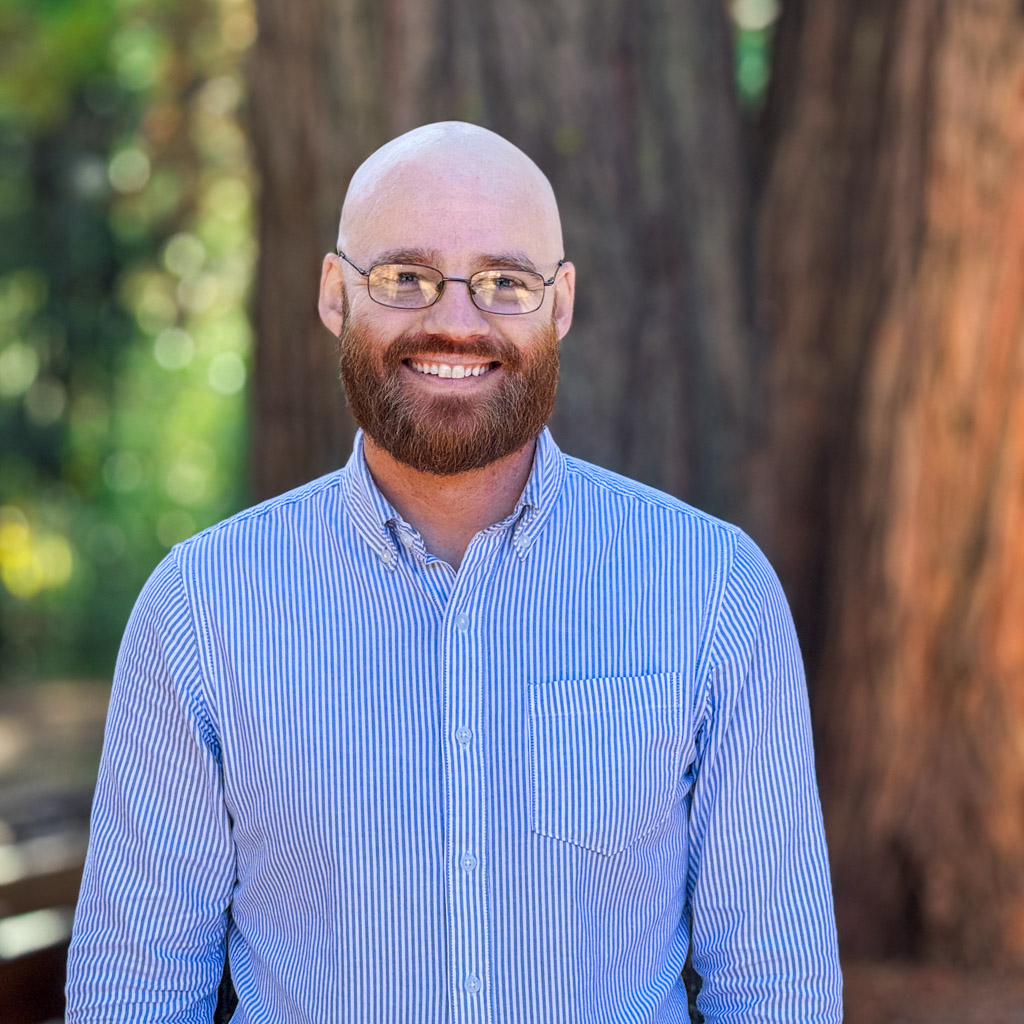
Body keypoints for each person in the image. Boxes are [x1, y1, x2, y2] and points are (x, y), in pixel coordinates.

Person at [66, 122, 842, 1023]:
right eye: (405, 277)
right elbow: (137, 995)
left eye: (506, 282)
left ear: (561, 305)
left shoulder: (715, 593)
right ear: (334, 293)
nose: (456, 320)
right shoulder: (200, 612)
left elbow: (778, 990)